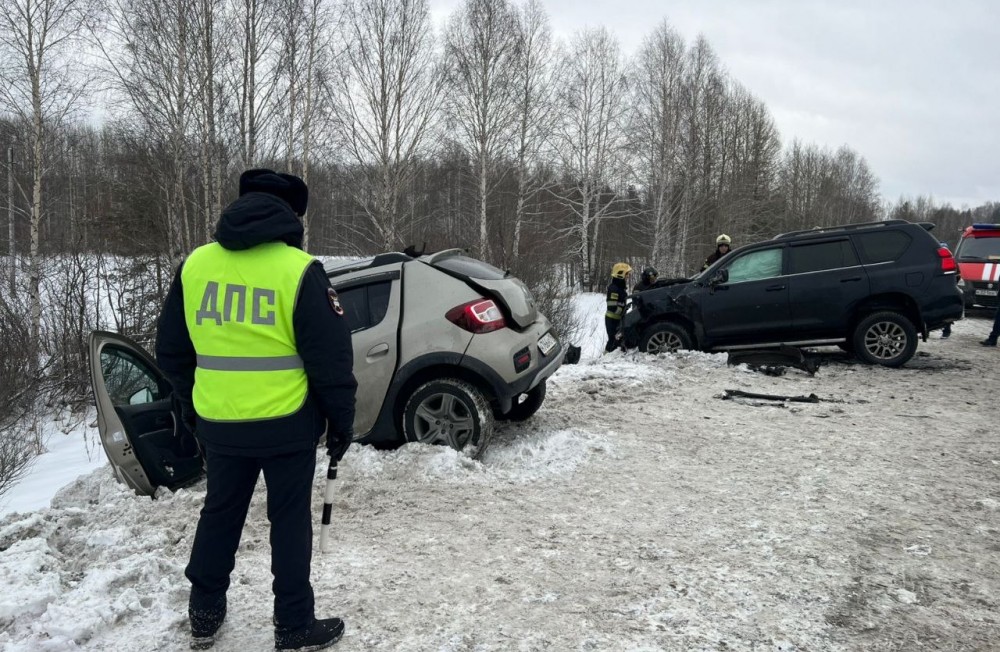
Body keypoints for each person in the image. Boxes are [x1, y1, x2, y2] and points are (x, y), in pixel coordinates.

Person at [155, 169, 357, 651]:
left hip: (220, 425)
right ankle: (293, 625)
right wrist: (341, 422)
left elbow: (171, 353)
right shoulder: (300, 269)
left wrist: (192, 406)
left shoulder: (196, 266)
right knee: (289, 522)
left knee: (220, 513)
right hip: (287, 424)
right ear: (294, 216)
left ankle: (204, 614)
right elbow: (330, 360)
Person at [605, 263, 631, 353]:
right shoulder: (614, 289)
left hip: (617, 319)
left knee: (617, 341)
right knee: (613, 341)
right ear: (620, 274)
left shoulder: (619, 287)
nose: (628, 276)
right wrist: (622, 309)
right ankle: (604, 358)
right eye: (626, 274)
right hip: (612, 320)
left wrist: (624, 307)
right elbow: (612, 306)